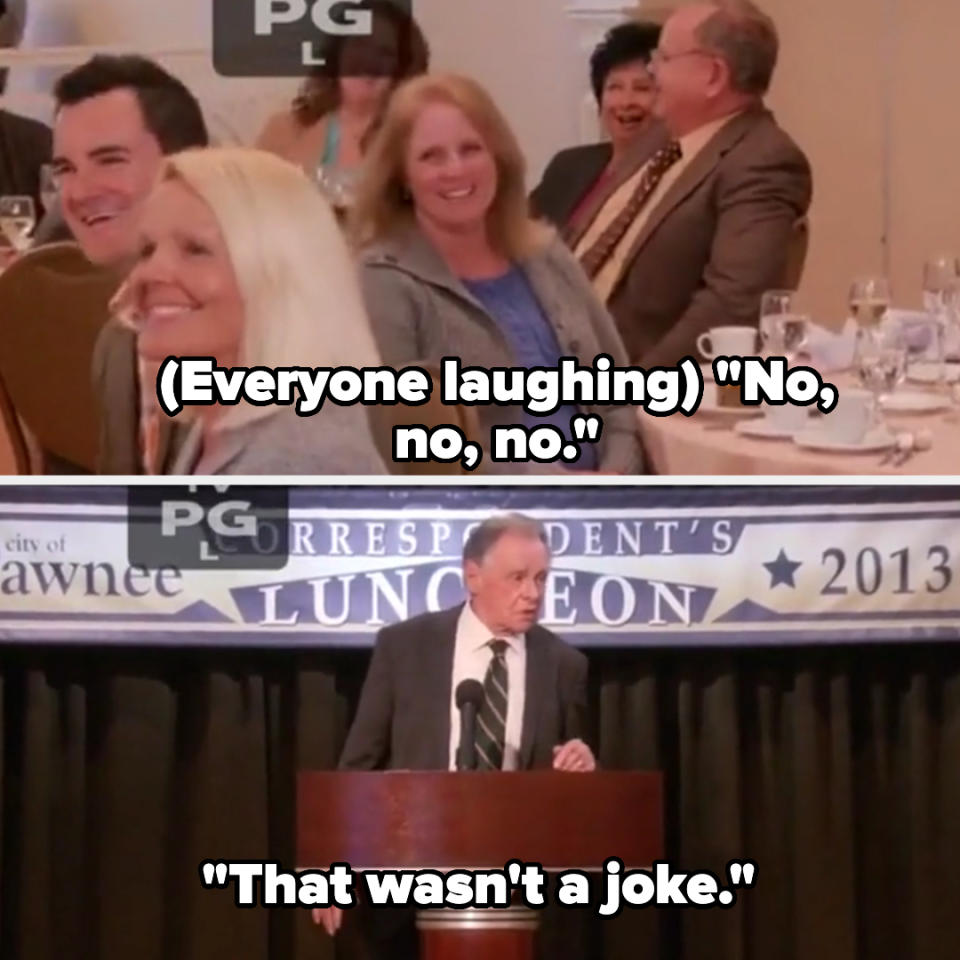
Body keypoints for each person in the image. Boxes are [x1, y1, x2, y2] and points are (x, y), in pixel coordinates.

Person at [314, 513, 595, 953]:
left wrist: (582, 769)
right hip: (409, 888)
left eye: (541, 578)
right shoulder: (405, 647)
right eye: (518, 578)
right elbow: (359, 765)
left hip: (515, 894)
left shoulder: (564, 665)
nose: (533, 594)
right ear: (473, 577)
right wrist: (334, 862)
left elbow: (568, 787)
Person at [351, 73, 643, 475]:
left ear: (498, 157)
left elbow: (619, 397)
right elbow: (406, 446)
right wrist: (555, 486)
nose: (455, 170)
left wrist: (615, 479)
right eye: (431, 156)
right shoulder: (384, 280)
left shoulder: (546, 253)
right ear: (402, 176)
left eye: (470, 149)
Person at [566, 0, 812, 368]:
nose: (652, 72)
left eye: (662, 59)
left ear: (713, 75)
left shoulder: (763, 161)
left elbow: (730, 307)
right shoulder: (657, 138)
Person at [115, 147, 387, 475]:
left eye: (195, 250)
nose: (149, 273)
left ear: (280, 276)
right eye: (147, 250)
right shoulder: (223, 421)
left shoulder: (308, 460)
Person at [48, 54, 210, 473]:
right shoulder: (118, 340)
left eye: (110, 160)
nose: (79, 192)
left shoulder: (253, 329)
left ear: (186, 163)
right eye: (66, 169)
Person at [255, 0, 428, 200]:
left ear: (401, 67)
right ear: (337, 54)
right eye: (359, 44)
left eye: (385, 52)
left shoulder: (415, 136)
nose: (368, 59)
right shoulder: (284, 129)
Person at [530, 20, 661, 233]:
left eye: (642, 88)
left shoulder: (676, 179)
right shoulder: (568, 165)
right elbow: (516, 233)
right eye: (614, 87)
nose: (626, 101)